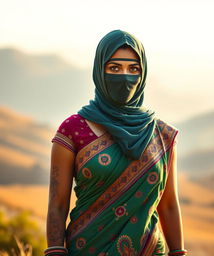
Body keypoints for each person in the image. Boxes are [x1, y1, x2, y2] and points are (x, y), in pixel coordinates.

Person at [45, 30, 187, 256]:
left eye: (133, 69)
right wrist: (55, 250)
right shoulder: (73, 130)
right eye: (114, 68)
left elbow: (169, 204)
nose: (124, 77)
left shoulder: (162, 134)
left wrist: (178, 252)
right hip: (87, 250)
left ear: (143, 75)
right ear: (99, 72)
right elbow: (58, 204)